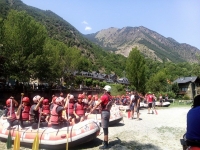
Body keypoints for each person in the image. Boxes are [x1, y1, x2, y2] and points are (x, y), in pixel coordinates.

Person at [86, 85, 113, 149]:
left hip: (104, 113)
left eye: (104, 90)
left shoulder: (104, 96)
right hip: (108, 112)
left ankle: (106, 144)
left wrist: (92, 110)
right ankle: (105, 141)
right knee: (105, 128)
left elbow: (98, 104)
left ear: (106, 90)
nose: (103, 91)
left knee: (105, 128)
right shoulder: (110, 97)